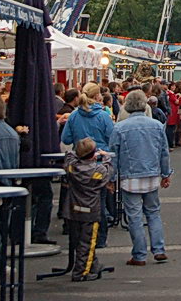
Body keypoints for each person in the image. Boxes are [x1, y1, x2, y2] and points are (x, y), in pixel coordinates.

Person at [110, 90, 172, 266]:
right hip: (152, 174)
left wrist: (112, 178)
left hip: (130, 177)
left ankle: (139, 254)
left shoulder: (119, 128)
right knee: (153, 213)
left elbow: (113, 155)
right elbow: (164, 152)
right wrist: (166, 174)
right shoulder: (156, 126)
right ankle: (159, 249)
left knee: (134, 216)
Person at [61, 83, 115, 248]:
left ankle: (78, 236)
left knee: (78, 200)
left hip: (79, 164)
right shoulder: (104, 116)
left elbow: (66, 139)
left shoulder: (74, 116)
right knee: (99, 201)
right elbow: (112, 139)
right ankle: (99, 238)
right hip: (99, 163)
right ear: (98, 96)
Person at [63, 138, 115, 281]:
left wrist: (81, 152)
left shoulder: (72, 168)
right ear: (93, 155)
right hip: (91, 210)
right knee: (88, 242)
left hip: (73, 209)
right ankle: (81, 272)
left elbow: (69, 156)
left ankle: (92, 265)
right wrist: (105, 156)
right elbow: (109, 169)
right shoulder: (98, 170)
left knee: (78, 240)